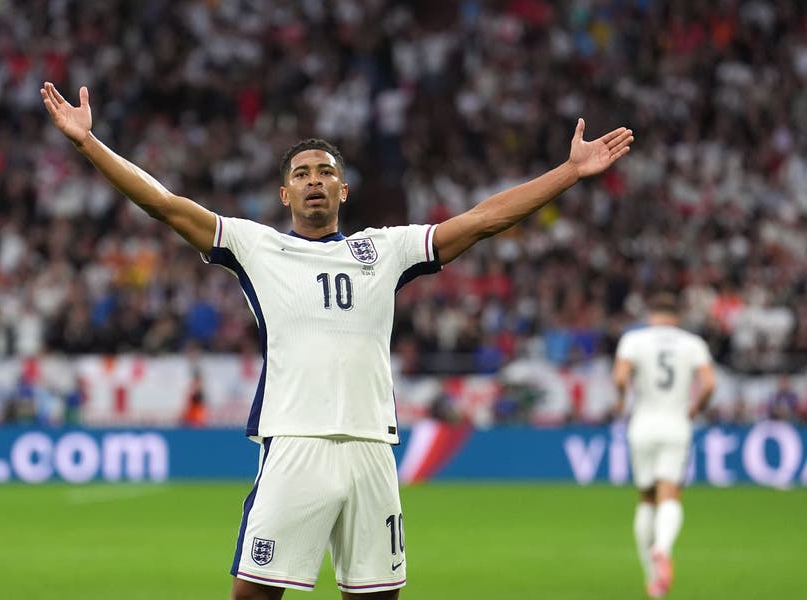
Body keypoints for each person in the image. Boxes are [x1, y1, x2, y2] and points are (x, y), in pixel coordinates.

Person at [41, 81, 633, 599]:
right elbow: (165, 205)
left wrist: (570, 173)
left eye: (326, 172)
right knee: (253, 595)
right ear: (285, 196)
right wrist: (89, 144)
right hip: (295, 440)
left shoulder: (386, 249)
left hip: (373, 445)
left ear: (344, 191)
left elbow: (482, 220)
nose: (315, 181)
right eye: (301, 174)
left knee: (376, 598)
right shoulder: (257, 247)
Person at [612, 292, 716, 599]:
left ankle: (652, 578)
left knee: (646, 499)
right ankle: (663, 547)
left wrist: (621, 399)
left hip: (642, 424)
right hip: (676, 424)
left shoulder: (634, 340)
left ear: (651, 315)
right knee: (669, 492)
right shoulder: (692, 343)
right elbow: (709, 383)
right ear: (676, 318)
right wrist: (699, 405)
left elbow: (620, 377)